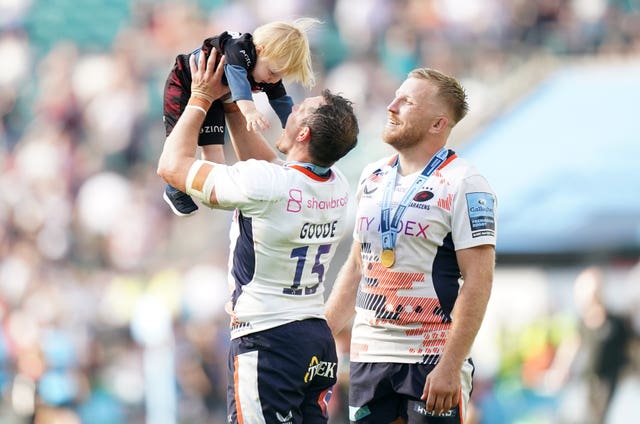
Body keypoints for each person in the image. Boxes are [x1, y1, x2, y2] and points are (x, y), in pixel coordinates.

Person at [157, 48, 359, 423]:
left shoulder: (269, 185)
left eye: (299, 109)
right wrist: (233, 105)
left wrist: (201, 96)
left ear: (304, 132)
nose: (289, 108)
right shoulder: (336, 184)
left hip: (267, 342)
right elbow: (267, 170)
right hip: (312, 339)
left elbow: (171, 166)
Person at [324, 68, 497, 423]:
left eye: (407, 102)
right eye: (395, 97)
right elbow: (358, 266)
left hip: (432, 359)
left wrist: (451, 365)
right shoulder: (372, 176)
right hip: (368, 357)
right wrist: (321, 336)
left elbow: (479, 281)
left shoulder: (465, 182)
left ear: (438, 124)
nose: (391, 106)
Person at [162, 18, 319, 216]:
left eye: (280, 76)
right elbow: (237, 80)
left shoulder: (268, 70)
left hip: (216, 95)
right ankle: (174, 188)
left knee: (214, 146)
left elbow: (281, 100)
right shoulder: (240, 51)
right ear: (260, 49)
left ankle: (209, 190)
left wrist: (294, 125)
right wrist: (249, 110)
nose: (273, 80)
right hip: (185, 81)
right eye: (272, 72)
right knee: (181, 139)